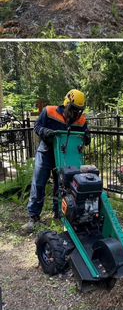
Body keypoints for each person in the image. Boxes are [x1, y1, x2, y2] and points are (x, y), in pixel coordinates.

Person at [23, 89, 90, 233]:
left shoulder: (81, 119)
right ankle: (33, 216)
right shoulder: (49, 111)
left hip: (64, 155)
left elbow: (85, 134)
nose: (76, 113)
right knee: (39, 183)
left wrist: (87, 137)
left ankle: (59, 212)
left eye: (79, 110)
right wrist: (45, 132)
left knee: (62, 184)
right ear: (66, 103)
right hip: (46, 152)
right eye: (74, 109)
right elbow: (37, 127)